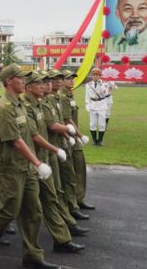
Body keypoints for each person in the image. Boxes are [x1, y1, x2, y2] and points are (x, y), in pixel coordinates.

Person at [0, 64, 60, 269]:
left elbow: (31, 134)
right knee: (8, 210)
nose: (24, 81)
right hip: (9, 168)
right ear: (9, 81)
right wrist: (38, 162)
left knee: (33, 211)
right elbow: (15, 140)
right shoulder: (4, 107)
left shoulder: (19, 104)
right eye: (20, 78)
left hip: (26, 166)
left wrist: (42, 157)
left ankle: (32, 255)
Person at [22, 71, 86, 254]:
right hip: (30, 161)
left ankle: (62, 237)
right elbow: (34, 135)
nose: (46, 85)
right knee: (11, 208)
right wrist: (56, 147)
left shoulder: (43, 103)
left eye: (48, 82)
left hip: (43, 156)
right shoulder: (24, 107)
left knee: (51, 196)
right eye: (41, 83)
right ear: (28, 86)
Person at [59, 70, 94, 211]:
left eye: (73, 78)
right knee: (71, 172)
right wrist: (79, 135)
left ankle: (79, 198)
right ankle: (72, 202)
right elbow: (67, 119)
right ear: (62, 81)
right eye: (68, 79)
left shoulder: (69, 95)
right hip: (69, 138)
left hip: (74, 138)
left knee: (80, 168)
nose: (72, 81)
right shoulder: (63, 97)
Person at [85, 68, 109, 146]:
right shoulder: (88, 85)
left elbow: (106, 93)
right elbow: (87, 96)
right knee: (92, 124)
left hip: (101, 105)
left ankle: (100, 140)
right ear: (92, 76)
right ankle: (95, 141)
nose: (95, 77)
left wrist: (101, 85)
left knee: (102, 124)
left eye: (97, 75)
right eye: (94, 75)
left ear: (99, 76)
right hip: (92, 105)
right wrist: (87, 105)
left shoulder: (104, 84)